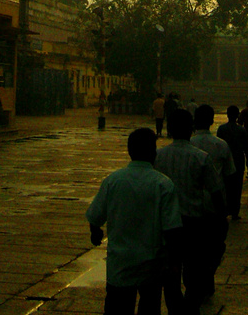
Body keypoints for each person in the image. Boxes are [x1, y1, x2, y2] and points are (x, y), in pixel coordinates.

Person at [87, 127, 182, 315]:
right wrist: (173, 263)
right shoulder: (163, 184)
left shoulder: (113, 180)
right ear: (153, 152)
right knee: (149, 307)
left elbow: (95, 216)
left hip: (120, 263)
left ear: (130, 151)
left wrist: (95, 231)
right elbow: (172, 229)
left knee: (118, 307)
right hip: (152, 264)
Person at [155, 108, 225, 313]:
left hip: (168, 224)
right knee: (195, 272)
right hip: (194, 222)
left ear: (170, 128)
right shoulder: (201, 157)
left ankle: (176, 309)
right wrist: (221, 218)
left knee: (171, 273)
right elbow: (215, 191)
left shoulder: (159, 156)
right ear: (191, 128)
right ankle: (191, 307)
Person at [190, 104, 234, 292]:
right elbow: (230, 175)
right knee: (215, 247)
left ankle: (196, 282)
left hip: (190, 207)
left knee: (193, 251)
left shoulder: (189, 145)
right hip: (215, 205)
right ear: (211, 121)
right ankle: (207, 275)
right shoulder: (220, 145)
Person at [216, 105, 248, 219]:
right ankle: (235, 211)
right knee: (237, 187)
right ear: (237, 115)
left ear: (228, 115)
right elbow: (246, 146)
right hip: (238, 160)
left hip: (224, 161)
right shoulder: (241, 129)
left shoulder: (222, 129)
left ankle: (225, 208)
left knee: (225, 185)